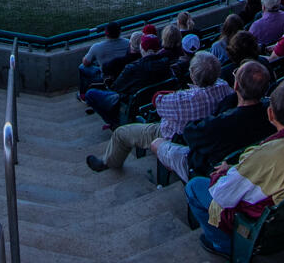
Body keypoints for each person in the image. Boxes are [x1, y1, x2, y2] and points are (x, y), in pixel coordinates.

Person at [185, 79, 284, 256]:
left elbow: (221, 195)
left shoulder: (263, 157)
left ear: (270, 114)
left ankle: (223, 246)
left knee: (194, 186)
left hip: (270, 228)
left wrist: (222, 175)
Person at [87, 50, 232, 172]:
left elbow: (157, 101)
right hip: (208, 136)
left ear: (192, 74)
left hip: (173, 136)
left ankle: (108, 163)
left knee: (120, 133)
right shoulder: (224, 87)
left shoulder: (182, 100)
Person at [160, 59, 275, 180]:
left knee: (157, 144)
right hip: (247, 165)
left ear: (236, 85)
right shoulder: (275, 113)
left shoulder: (221, 122)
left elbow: (189, 134)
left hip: (210, 171)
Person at [77, 22, 130, 92]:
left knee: (82, 67)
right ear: (120, 31)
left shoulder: (97, 47)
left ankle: (83, 94)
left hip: (106, 78)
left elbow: (85, 63)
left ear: (106, 33)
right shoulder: (128, 42)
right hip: (125, 75)